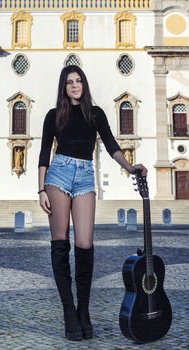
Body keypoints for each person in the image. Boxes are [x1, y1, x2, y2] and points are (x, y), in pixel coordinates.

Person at [38, 65, 147, 341]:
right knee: (60, 242)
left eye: (78, 81)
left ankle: (83, 310)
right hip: (58, 174)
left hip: (85, 175)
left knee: (85, 244)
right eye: (69, 82)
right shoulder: (54, 116)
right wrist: (41, 189)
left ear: (84, 84)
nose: (75, 85)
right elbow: (43, 155)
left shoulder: (95, 114)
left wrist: (131, 167)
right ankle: (68, 312)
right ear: (63, 87)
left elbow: (112, 146)